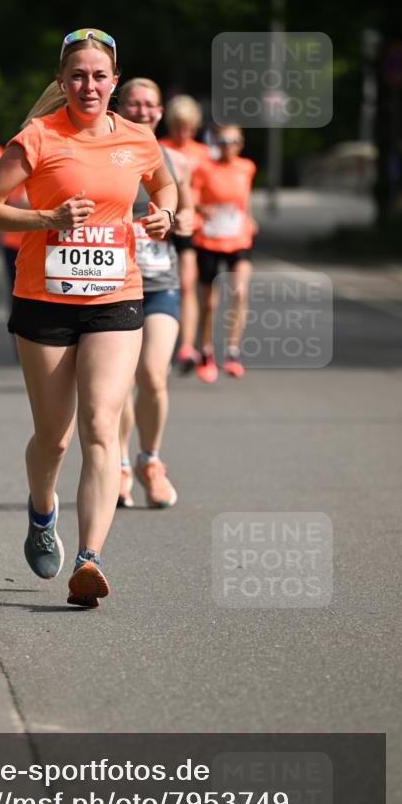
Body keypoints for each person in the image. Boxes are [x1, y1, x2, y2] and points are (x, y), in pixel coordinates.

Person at [0, 28, 177, 608]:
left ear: (115, 81)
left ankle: (89, 559)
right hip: (45, 301)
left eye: (99, 76)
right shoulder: (37, 137)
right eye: (78, 76)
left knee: (100, 426)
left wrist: (164, 212)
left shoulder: (137, 139)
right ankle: (42, 511)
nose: (89, 85)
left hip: (116, 298)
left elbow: (165, 185)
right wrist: (46, 218)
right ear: (61, 82)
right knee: (55, 438)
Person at [115, 78, 193, 509]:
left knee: (152, 375)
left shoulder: (178, 162)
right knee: (120, 382)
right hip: (114, 282)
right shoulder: (105, 153)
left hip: (160, 283)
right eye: (134, 104)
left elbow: (189, 213)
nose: (142, 111)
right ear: (120, 108)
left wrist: (180, 220)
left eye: (150, 105)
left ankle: (151, 460)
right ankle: (120, 466)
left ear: (160, 112)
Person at [191, 124, 257, 381]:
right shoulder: (204, 167)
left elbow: (245, 197)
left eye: (234, 141)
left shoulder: (246, 167)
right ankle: (205, 350)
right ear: (216, 143)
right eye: (223, 141)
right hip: (209, 239)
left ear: (240, 144)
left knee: (240, 292)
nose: (229, 145)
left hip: (239, 237)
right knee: (209, 302)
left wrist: (251, 218)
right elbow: (192, 196)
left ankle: (232, 350)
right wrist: (201, 208)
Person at [160, 96, 211, 374]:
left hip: (196, 227)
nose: (184, 133)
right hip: (166, 224)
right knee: (165, 285)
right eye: (179, 126)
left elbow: (213, 187)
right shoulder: (161, 149)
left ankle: (187, 346)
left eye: (189, 127)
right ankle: (162, 345)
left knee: (188, 284)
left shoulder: (203, 153)